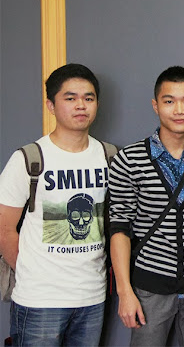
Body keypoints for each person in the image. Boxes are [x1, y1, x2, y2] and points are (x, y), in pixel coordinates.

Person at [0, 64, 112, 346]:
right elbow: (4, 228)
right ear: (51, 105)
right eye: (70, 98)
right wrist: (33, 273)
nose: (81, 105)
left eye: (88, 98)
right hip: (39, 300)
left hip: (93, 296)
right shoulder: (29, 158)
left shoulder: (109, 156)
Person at [108, 66, 184, 346]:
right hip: (149, 288)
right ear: (156, 105)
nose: (179, 110)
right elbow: (119, 227)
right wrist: (124, 292)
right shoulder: (129, 159)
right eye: (169, 101)